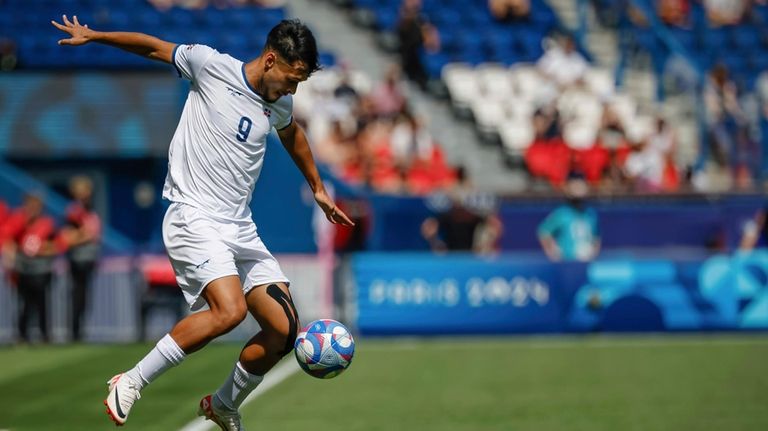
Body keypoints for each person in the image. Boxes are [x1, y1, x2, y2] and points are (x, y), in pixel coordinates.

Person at [52, 16, 354, 430]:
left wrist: (318, 187)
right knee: (228, 311)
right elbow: (152, 46)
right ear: (270, 60)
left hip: (239, 226)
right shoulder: (211, 66)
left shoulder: (278, 102)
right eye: (292, 77)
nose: (293, 89)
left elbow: (293, 134)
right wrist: (97, 36)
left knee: (284, 332)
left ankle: (224, 404)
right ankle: (132, 380)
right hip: (193, 215)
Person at [0, 194, 60, 344]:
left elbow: (57, 244)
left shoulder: (47, 223)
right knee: (24, 303)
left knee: (41, 302)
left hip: (41, 268)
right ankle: (22, 334)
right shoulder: (18, 221)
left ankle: (44, 334)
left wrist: (43, 250)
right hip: (23, 268)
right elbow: (9, 240)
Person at [59, 175, 101, 342]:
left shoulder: (89, 210)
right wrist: (85, 235)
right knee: (77, 294)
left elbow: (92, 233)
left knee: (83, 295)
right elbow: (68, 236)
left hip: (88, 257)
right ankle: (74, 331)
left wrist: (87, 235)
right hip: (78, 257)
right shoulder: (74, 211)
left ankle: (78, 330)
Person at [537, 178, 601, 262]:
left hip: (586, 261)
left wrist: (594, 254)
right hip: (567, 261)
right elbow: (544, 232)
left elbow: (596, 236)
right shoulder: (562, 213)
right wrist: (553, 253)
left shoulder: (590, 213)